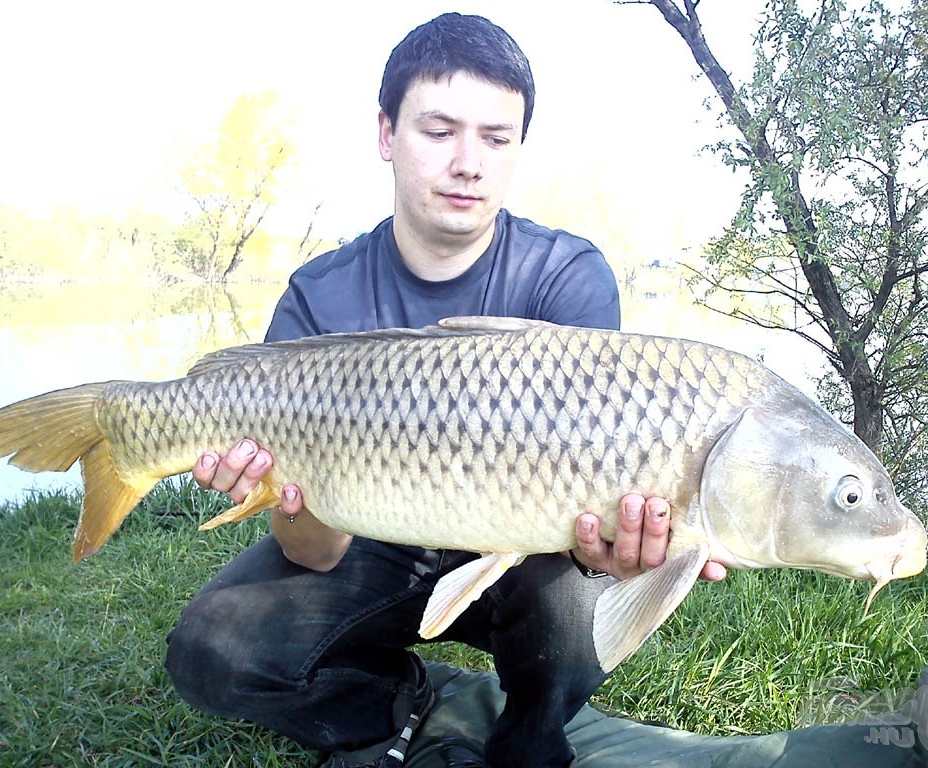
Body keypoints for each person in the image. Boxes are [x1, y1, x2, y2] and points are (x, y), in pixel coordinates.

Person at [165, 13, 725, 768]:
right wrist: (284, 497)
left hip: (522, 559)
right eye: (440, 131)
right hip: (371, 544)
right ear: (386, 134)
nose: (470, 163)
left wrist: (620, 550)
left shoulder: (564, 278)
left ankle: (530, 736)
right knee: (213, 651)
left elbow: (593, 512)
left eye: (497, 139)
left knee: (572, 601)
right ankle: (387, 706)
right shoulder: (318, 299)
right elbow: (314, 552)